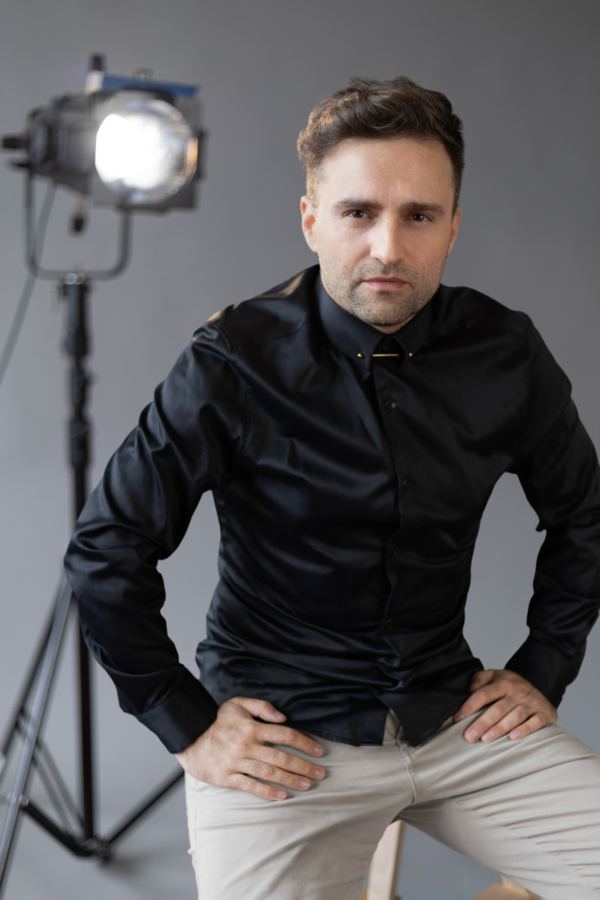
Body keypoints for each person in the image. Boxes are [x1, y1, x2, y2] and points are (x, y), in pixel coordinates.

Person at [64, 77, 600, 900]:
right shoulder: (232, 360)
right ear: (312, 219)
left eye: (418, 216)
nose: (388, 246)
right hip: (283, 744)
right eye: (358, 213)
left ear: (453, 228)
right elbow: (107, 549)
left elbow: (585, 516)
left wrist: (545, 664)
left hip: (453, 722)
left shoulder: (505, 351)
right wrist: (187, 723)